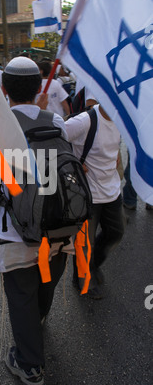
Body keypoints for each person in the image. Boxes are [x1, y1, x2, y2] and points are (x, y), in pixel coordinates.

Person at [0, 57, 69, 385]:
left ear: (4, 88)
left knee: (21, 293)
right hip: (58, 226)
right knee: (47, 280)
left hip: (15, 231)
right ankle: (37, 321)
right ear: (40, 87)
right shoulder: (56, 119)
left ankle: (30, 367)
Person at [65, 97, 126, 298]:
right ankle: (82, 280)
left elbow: (115, 144)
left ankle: (93, 264)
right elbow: (56, 139)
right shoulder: (85, 121)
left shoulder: (121, 120)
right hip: (86, 193)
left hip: (112, 190)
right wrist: (72, 161)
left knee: (116, 232)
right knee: (84, 243)